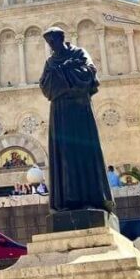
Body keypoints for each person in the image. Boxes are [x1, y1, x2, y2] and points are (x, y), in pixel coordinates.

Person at [40, 27, 111, 214]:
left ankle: (91, 198)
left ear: (61, 38)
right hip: (60, 112)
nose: (51, 46)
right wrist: (64, 75)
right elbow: (45, 87)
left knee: (83, 153)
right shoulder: (50, 62)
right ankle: (66, 202)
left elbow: (89, 74)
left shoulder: (79, 53)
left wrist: (64, 73)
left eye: (53, 41)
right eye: (49, 43)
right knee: (64, 156)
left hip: (79, 111)